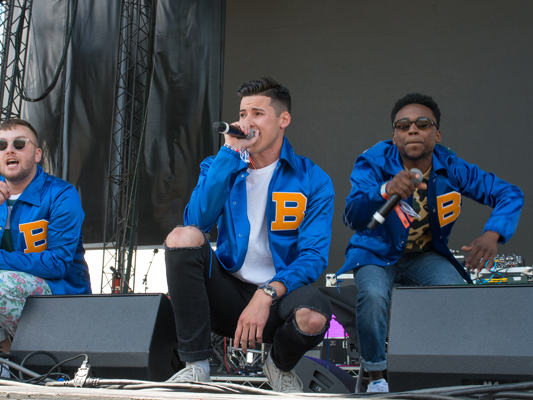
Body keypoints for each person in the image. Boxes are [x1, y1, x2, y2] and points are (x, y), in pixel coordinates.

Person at [338, 93, 524, 392]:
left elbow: (509, 193)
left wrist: (494, 233)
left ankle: (454, 373)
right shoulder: (373, 162)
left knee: (457, 295)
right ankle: (377, 377)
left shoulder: (451, 166)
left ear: (437, 134)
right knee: (373, 295)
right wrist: (385, 189)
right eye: (403, 125)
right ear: (394, 137)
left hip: (423, 255)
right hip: (375, 252)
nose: (412, 130)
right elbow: (352, 216)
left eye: (423, 124)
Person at [164, 77, 335, 393]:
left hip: (279, 297)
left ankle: (279, 365)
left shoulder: (313, 179)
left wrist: (267, 293)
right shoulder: (220, 164)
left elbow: (313, 257)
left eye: (257, 113)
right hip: (227, 293)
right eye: (243, 114)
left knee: (313, 316)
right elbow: (196, 223)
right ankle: (196, 367)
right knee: (181, 237)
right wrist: (229, 153)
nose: (247, 122)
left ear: (283, 120)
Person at [0, 118, 91, 359]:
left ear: (37, 154)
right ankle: (4, 359)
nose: (9, 150)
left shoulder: (61, 194)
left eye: (19, 144)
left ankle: (43, 360)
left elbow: (58, 263)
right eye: (2, 145)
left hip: (62, 292)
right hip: (10, 284)